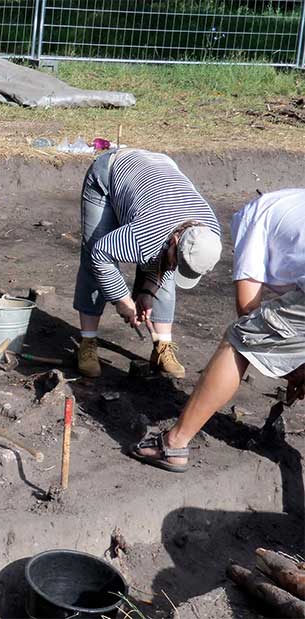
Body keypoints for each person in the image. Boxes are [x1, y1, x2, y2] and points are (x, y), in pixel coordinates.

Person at [130, 188, 305, 472]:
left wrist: (289, 368)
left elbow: (247, 308)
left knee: (240, 338)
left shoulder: (255, 216)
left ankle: (174, 443)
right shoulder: (296, 210)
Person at [73, 148, 222, 379]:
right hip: (110, 173)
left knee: (169, 267)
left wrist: (146, 292)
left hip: (159, 172)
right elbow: (101, 254)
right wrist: (122, 299)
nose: (174, 264)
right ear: (174, 240)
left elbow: (165, 263)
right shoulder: (148, 234)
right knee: (93, 254)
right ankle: (88, 341)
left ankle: (163, 345)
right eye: (175, 254)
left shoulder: (209, 233)